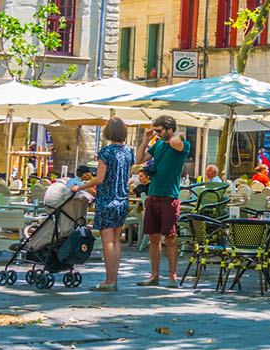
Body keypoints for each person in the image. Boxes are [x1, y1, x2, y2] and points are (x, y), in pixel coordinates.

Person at [78, 118, 133, 291]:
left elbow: (100, 178)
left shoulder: (106, 152)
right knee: (116, 242)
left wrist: (79, 187)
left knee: (107, 242)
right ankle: (114, 279)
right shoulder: (128, 152)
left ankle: (108, 281)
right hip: (122, 200)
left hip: (106, 200)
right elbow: (128, 177)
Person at [137, 116, 191, 287]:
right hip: (153, 196)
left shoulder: (182, 145)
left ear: (169, 129)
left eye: (159, 131)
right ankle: (154, 276)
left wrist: (180, 133)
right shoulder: (157, 144)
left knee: (170, 238)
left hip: (170, 197)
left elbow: (175, 142)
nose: (157, 134)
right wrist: (146, 140)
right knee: (153, 238)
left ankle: (172, 276)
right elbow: (138, 159)